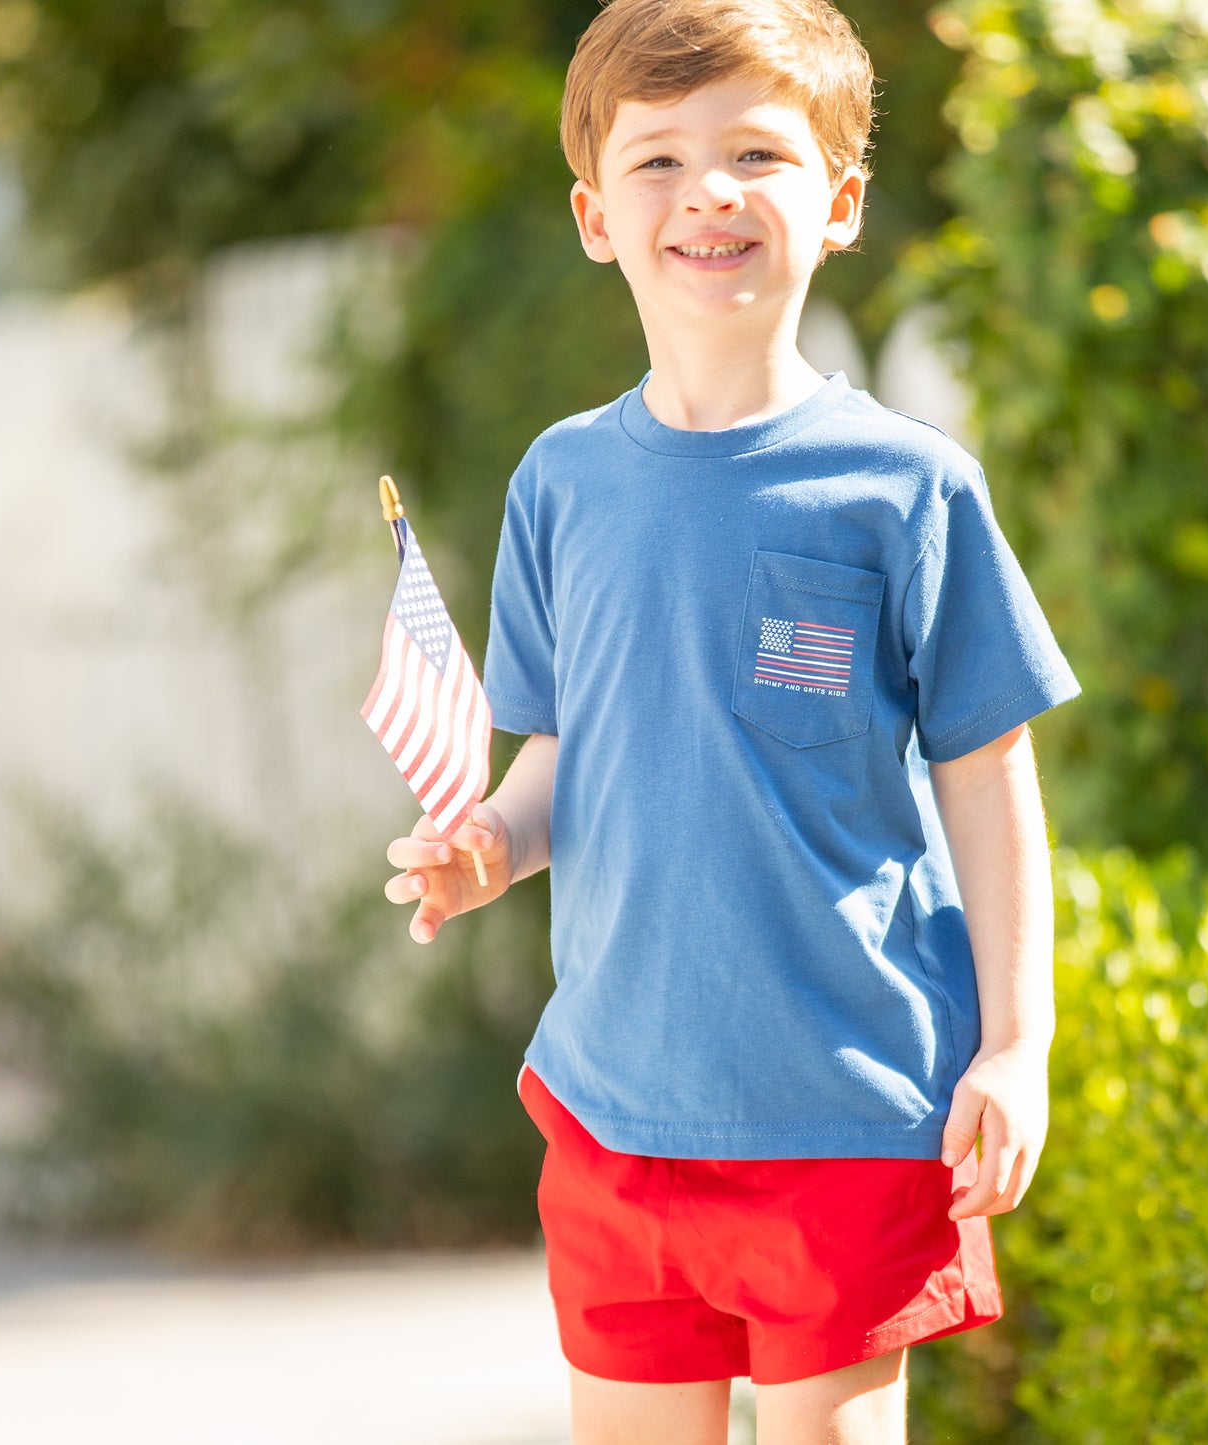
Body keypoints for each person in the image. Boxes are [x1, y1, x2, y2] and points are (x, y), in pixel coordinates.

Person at [383, 2, 1080, 1440]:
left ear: (837, 202)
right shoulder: (559, 485)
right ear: (594, 214)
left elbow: (987, 772)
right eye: (657, 161)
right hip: (614, 1110)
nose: (706, 189)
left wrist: (1016, 1045)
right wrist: (491, 846)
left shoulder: (906, 486)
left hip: (842, 1105)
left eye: (755, 151)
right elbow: (562, 755)